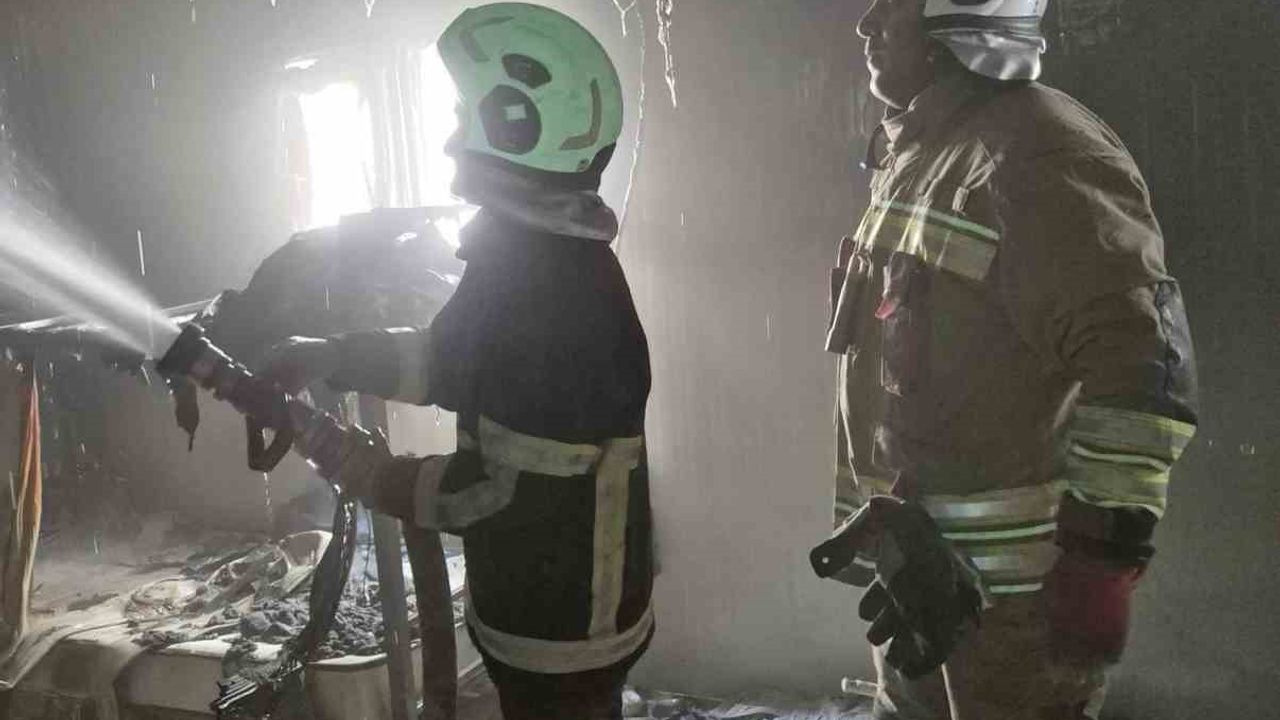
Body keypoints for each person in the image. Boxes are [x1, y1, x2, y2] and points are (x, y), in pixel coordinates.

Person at [259, 4, 654, 719]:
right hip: (544, 603)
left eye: (464, 120)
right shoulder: (527, 257)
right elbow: (450, 361)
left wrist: (372, 473)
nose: (447, 141)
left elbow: (496, 493)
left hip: (564, 626)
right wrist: (335, 358)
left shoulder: (557, 293)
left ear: (516, 131)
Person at [816, 1, 1199, 718]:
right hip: (917, 573)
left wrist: (1099, 562)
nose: (867, 23)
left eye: (892, 3)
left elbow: (1143, 367)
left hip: (1015, 607)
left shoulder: (1040, 154)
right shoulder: (925, 150)